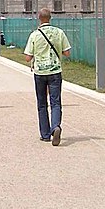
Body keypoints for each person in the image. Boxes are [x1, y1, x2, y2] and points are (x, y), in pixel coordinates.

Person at [23, 8, 71, 146]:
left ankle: (45, 134)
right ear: (50, 18)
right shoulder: (59, 32)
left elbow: (27, 57)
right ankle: (55, 126)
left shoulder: (35, 35)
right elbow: (67, 52)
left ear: (39, 18)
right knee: (55, 102)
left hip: (40, 73)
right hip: (55, 71)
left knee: (42, 104)